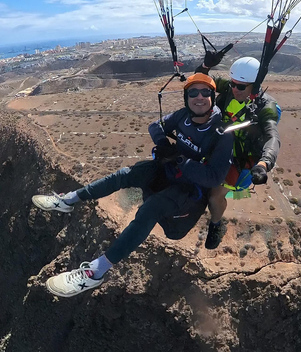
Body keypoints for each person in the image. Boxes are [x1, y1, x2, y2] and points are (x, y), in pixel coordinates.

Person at [31, 73, 234, 297]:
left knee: (151, 208)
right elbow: (155, 126)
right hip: (168, 170)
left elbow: (214, 177)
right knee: (124, 175)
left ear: (212, 97)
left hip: (188, 189)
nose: (199, 97)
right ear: (186, 97)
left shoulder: (222, 132)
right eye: (193, 92)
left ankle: (96, 273)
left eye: (205, 92)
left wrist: (179, 159)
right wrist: (163, 144)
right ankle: (68, 200)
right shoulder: (183, 116)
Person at [195, 54, 281, 250]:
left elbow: (272, 137)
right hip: (218, 142)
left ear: (254, 86)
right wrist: (206, 65)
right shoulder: (228, 88)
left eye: (241, 86)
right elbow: (199, 81)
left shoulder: (265, 107)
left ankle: (216, 225)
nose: (234, 89)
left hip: (239, 155)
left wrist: (264, 163)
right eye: (233, 84)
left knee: (214, 196)